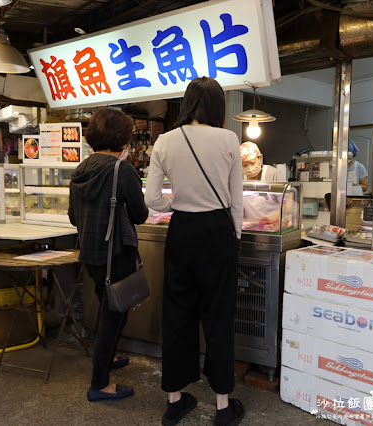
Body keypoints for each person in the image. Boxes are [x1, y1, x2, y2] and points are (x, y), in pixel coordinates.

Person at [145, 77, 245, 426]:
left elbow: (151, 199)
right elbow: (236, 201)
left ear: (187, 103)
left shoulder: (164, 141)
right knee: (218, 316)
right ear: (218, 106)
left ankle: (175, 401)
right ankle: (222, 406)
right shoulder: (229, 139)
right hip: (217, 232)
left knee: (177, 313)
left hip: (182, 230)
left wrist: (175, 203)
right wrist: (234, 237)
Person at [68, 108, 148, 402]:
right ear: (123, 139)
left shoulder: (80, 169)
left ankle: (108, 357)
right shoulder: (120, 170)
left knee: (109, 308)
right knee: (114, 315)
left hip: (90, 254)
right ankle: (99, 383)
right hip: (116, 255)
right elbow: (140, 215)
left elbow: (72, 217)